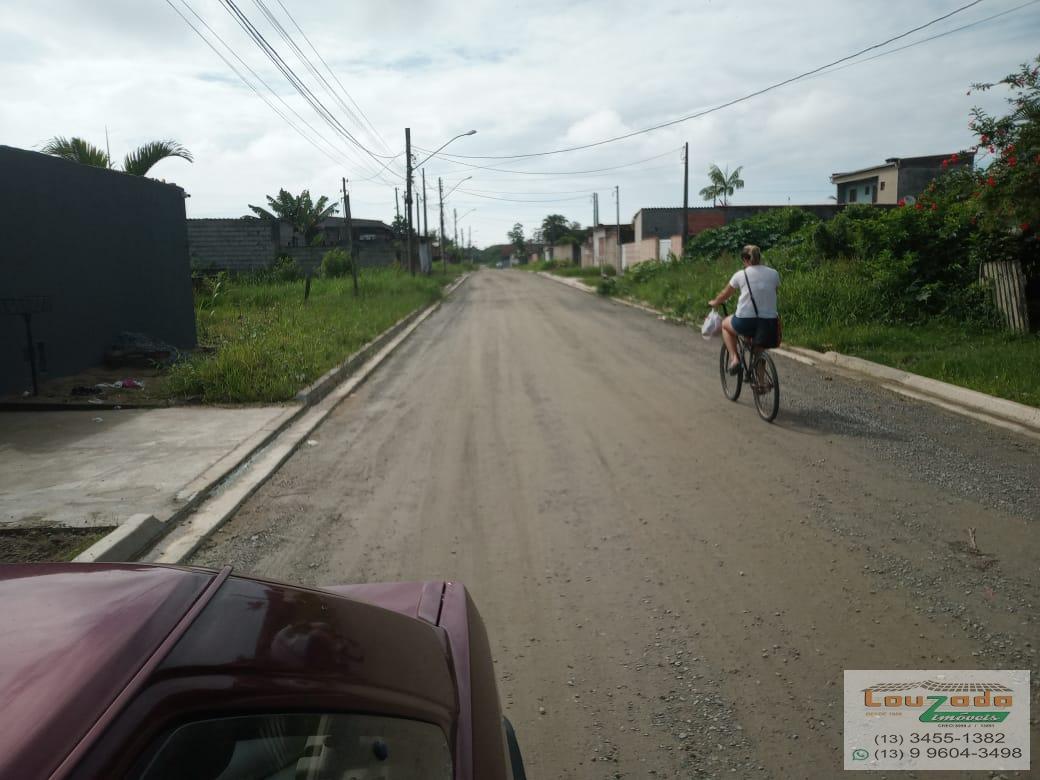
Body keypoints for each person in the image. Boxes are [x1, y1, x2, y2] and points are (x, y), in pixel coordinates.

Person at [707, 245, 780, 374]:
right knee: (759, 350)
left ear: (745, 260)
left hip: (746, 321)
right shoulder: (774, 273)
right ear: (759, 257)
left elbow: (725, 294)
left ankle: (735, 359)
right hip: (769, 321)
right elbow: (773, 293)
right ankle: (761, 385)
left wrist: (715, 302)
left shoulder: (740, 275)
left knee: (725, 325)